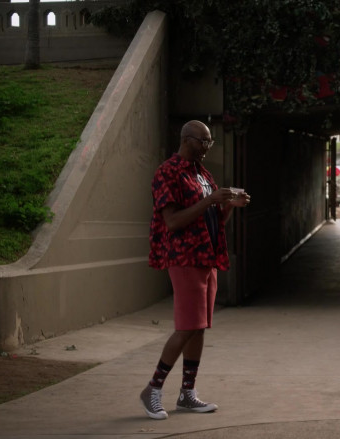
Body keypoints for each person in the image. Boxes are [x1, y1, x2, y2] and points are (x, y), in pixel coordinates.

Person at [141, 120, 251, 420]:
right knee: (187, 326)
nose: (207, 147)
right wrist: (210, 199)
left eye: (210, 142)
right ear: (187, 139)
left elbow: (212, 220)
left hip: (207, 256)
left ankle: (187, 393)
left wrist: (228, 206)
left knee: (199, 326)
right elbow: (173, 222)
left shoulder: (202, 174)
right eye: (203, 141)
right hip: (184, 257)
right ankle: (153, 388)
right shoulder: (168, 172)